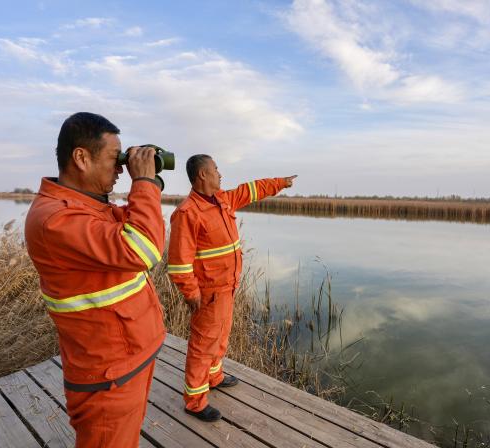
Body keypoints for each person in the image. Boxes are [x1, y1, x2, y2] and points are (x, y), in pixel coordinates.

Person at [25, 112, 166, 447]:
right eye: (114, 159)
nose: (120, 168)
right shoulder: (56, 218)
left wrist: (150, 182)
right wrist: (143, 183)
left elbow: (131, 231)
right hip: (108, 376)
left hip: (127, 360)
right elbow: (144, 250)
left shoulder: (87, 206)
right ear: (81, 157)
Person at [167, 154, 296, 421]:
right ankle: (195, 401)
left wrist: (281, 182)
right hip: (209, 293)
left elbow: (252, 189)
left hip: (228, 287)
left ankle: (214, 376)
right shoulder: (187, 213)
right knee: (203, 344)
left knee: (222, 335)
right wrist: (191, 293)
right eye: (215, 169)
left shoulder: (223, 200)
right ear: (202, 175)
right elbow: (179, 263)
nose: (220, 174)